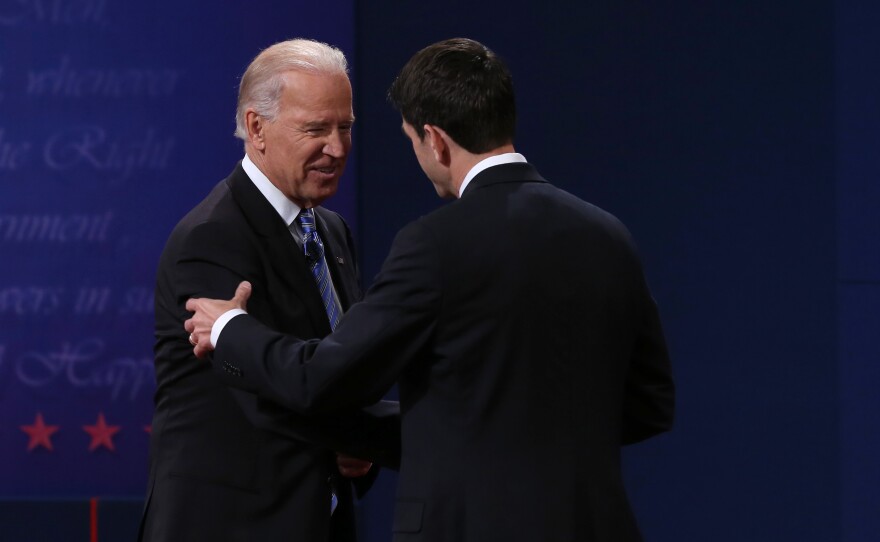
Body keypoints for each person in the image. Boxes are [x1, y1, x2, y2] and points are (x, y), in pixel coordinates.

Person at [185, 38, 675, 542]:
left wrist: (229, 329)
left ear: (435, 141)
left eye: (411, 140)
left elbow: (328, 379)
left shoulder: (435, 245)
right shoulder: (608, 235)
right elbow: (650, 406)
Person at [139, 39, 399, 542]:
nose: (338, 148)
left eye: (345, 127)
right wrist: (399, 433)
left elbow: (341, 371)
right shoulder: (212, 238)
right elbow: (270, 393)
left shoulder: (331, 231)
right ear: (256, 128)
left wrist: (359, 446)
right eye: (315, 129)